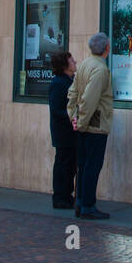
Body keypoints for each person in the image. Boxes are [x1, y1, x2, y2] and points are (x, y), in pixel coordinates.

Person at [67, 32, 114, 220]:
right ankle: (87, 204)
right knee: (92, 165)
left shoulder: (85, 65)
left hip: (84, 123)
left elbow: (73, 94)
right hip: (95, 125)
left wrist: (74, 118)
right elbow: (89, 99)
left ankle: (81, 202)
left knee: (84, 165)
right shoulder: (101, 70)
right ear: (107, 49)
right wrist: (82, 122)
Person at [47, 51, 77, 209]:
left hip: (69, 132)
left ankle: (66, 195)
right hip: (63, 133)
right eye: (72, 60)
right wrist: (73, 118)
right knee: (63, 164)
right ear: (64, 64)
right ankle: (60, 197)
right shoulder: (59, 83)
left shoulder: (68, 81)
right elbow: (58, 110)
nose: (75, 62)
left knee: (69, 165)